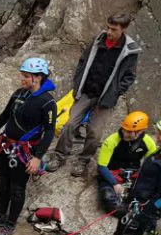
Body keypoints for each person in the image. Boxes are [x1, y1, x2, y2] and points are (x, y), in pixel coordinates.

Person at [0, 57, 58, 235]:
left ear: (37, 78)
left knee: (17, 188)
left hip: (25, 152)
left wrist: (37, 158)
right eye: (23, 75)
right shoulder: (18, 94)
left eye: (26, 76)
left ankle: (10, 224)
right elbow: (5, 115)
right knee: (4, 183)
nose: (22, 79)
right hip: (7, 146)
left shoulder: (47, 103)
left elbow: (49, 131)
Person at [50, 13, 141, 176]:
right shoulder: (97, 41)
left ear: (123, 29)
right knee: (70, 124)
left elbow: (130, 76)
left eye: (113, 29)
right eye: (108, 27)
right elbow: (82, 62)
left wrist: (116, 92)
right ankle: (59, 155)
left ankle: (83, 160)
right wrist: (78, 84)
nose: (109, 32)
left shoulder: (129, 51)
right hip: (86, 92)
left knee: (94, 133)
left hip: (105, 99)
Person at [94, 111, 157, 212]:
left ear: (140, 131)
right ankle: (127, 212)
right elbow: (101, 166)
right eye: (124, 130)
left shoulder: (148, 142)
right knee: (107, 197)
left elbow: (151, 165)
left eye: (129, 132)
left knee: (147, 196)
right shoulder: (111, 140)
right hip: (112, 173)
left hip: (133, 174)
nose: (124, 133)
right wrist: (114, 184)